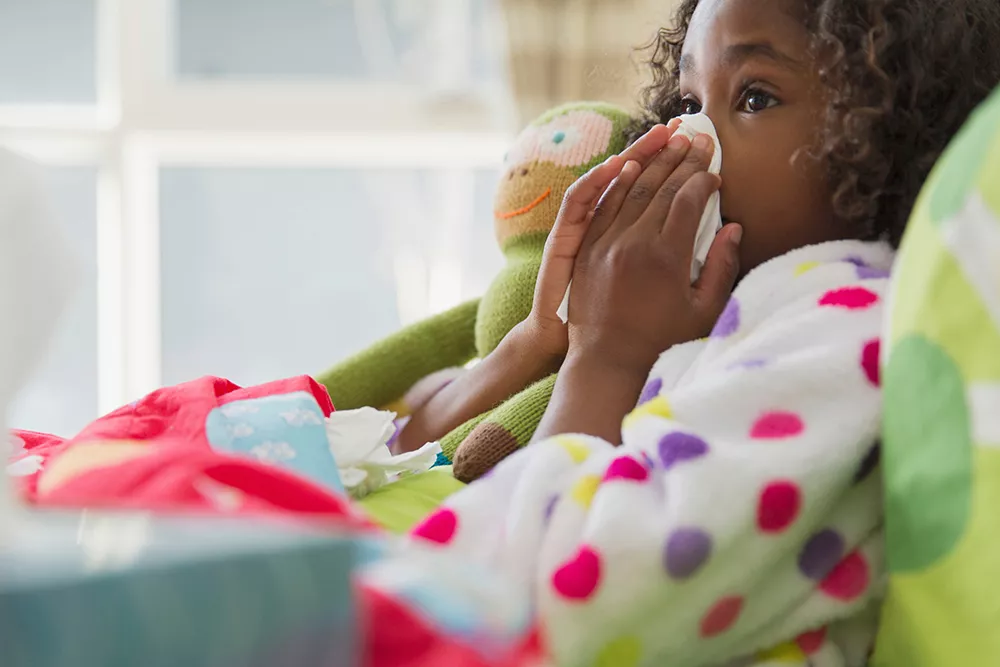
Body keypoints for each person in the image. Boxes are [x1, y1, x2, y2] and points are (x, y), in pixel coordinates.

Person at [395, 0, 1000, 664]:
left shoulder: (845, 324)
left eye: (756, 96)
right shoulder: (754, 313)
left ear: (891, 131)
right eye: (688, 99)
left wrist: (607, 358)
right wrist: (558, 342)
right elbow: (416, 450)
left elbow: (561, 597)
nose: (689, 139)